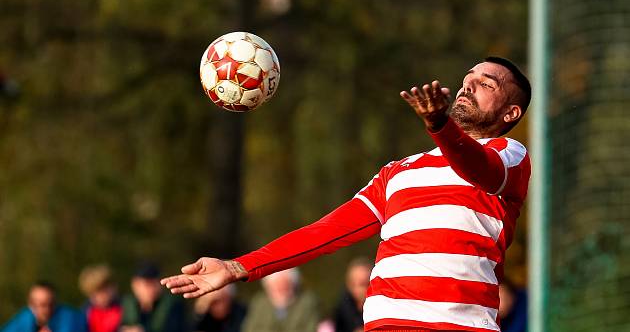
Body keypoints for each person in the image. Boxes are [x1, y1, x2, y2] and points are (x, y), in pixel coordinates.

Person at [161, 56, 532, 331]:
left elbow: (477, 166)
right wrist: (238, 266)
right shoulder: (398, 171)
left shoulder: (509, 156)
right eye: (468, 78)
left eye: (487, 84)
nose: (468, 85)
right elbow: (326, 232)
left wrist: (440, 125)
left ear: (510, 112)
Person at [242, 268, 319, 332]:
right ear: (268, 287)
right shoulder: (259, 303)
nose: (281, 289)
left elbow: (311, 327)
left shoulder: (307, 301)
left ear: (294, 285)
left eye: (285, 285)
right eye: (276, 286)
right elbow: (250, 328)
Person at [120, 263, 187, 332]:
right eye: (147, 284)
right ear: (135, 285)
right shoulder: (125, 304)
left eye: (155, 284)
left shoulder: (173, 305)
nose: (152, 289)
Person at [1, 281, 87, 332]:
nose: (46, 309)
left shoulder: (70, 318)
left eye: (50, 303)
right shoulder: (25, 317)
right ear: (30, 304)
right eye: (42, 304)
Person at [78, 264, 122, 332]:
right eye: (94, 293)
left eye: (103, 290)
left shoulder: (127, 308)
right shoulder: (85, 313)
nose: (100, 296)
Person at [334, 258, 373, 332]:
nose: (366, 288)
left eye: (369, 283)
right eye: (362, 284)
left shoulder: (382, 306)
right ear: (350, 285)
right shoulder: (341, 312)